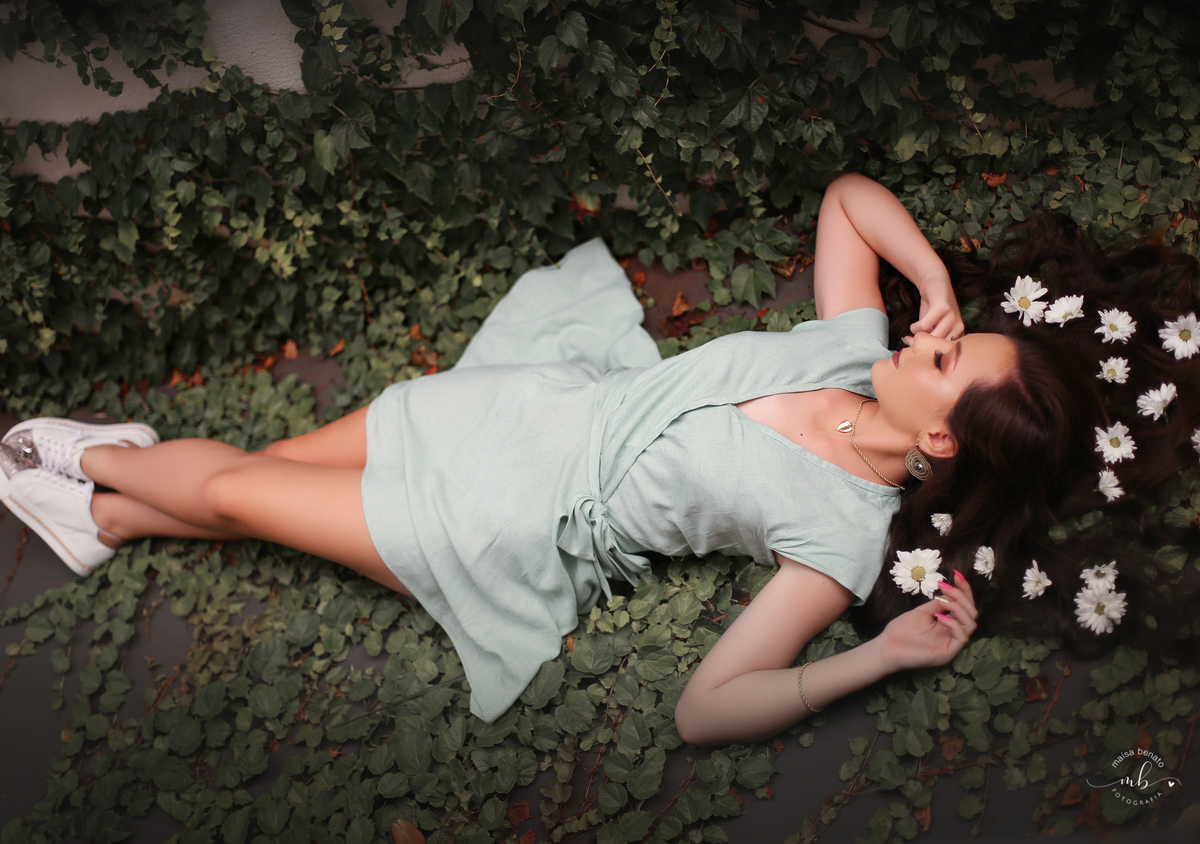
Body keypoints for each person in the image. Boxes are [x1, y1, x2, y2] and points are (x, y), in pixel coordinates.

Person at [1, 174, 1195, 746]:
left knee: (229, 485)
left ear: (940, 437)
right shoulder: (848, 347)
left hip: (510, 520)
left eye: (944, 355)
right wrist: (931, 275)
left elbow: (705, 708)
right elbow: (845, 203)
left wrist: (878, 653)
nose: (926, 332)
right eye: (946, 327)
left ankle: (101, 459)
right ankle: (110, 518)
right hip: (519, 407)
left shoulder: (841, 534)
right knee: (261, 471)